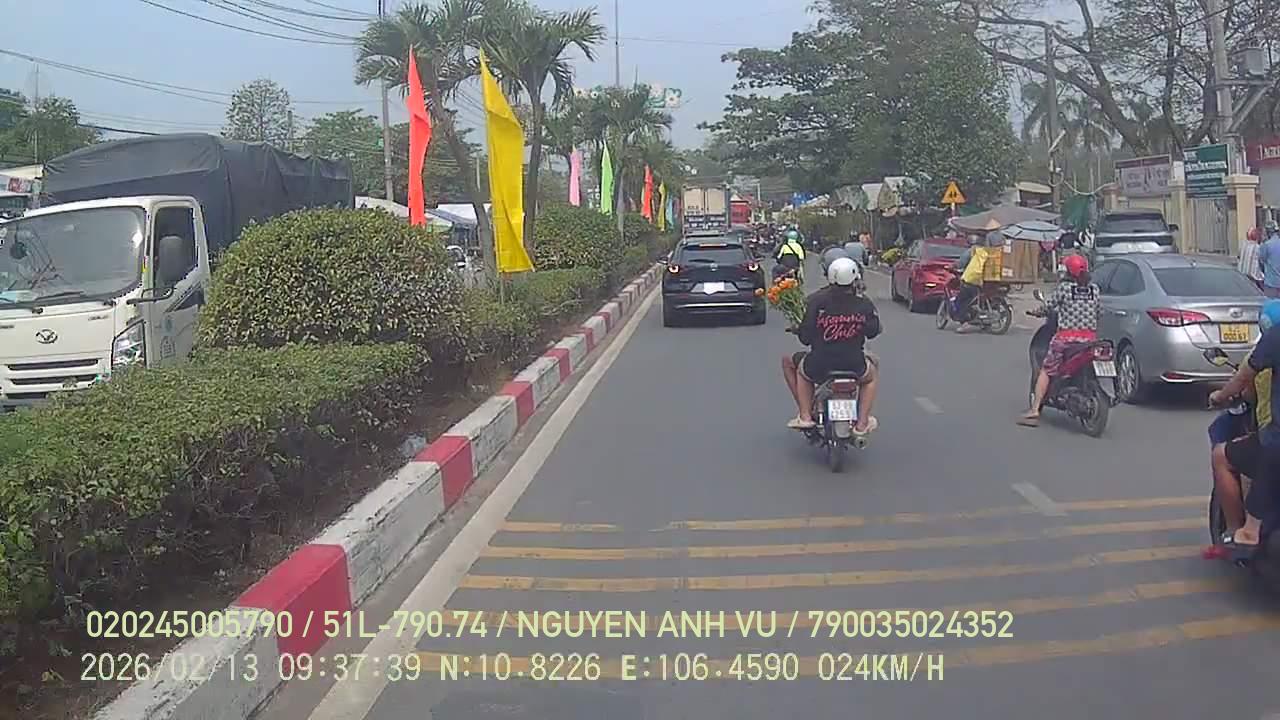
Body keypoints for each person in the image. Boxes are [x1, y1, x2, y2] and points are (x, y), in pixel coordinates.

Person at [1209, 299, 1280, 550]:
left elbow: (1243, 382)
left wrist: (1220, 396)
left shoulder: (1271, 341)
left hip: (1273, 439)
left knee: (1222, 455)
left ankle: (1241, 531)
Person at [781, 257, 881, 434]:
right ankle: (862, 423)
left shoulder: (816, 301)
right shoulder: (864, 303)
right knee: (871, 376)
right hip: (854, 365)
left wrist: (801, 329)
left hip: (819, 365)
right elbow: (872, 331)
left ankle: (805, 416)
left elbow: (805, 338)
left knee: (797, 368)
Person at [1017, 253, 1101, 427]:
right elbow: (1099, 311)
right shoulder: (1094, 289)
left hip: (1066, 339)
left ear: (1068, 271)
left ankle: (1034, 410)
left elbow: (1049, 307)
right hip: (1089, 341)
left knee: (1046, 370)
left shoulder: (1065, 289)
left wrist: (1036, 312)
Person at [952, 233, 991, 327]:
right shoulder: (990, 252)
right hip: (984, 281)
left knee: (961, 301)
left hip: (971, 279)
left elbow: (961, 263)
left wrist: (954, 265)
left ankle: (964, 322)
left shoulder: (973, 251)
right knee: (975, 298)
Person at [1258, 220, 1280, 298]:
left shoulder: (1266, 245)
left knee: (1271, 303)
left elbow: (1261, 261)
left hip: (1271, 283)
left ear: (1268, 232)